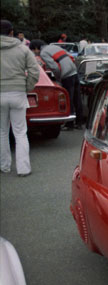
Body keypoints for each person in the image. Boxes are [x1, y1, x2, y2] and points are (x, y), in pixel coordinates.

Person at [1, 20, 40, 177]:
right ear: (12, 32)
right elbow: (34, 72)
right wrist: (26, 87)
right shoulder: (23, 49)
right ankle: (23, 168)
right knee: (20, 132)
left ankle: (4, 166)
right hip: (17, 92)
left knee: (1, 132)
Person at [30, 39, 83, 130]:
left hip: (66, 74)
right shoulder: (54, 47)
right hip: (74, 71)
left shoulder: (43, 53)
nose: (35, 53)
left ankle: (69, 125)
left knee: (68, 99)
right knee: (77, 98)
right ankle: (79, 123)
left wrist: (58, 78)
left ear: (36, 48)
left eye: (33, 51)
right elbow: (70, 56)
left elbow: (54, 67)